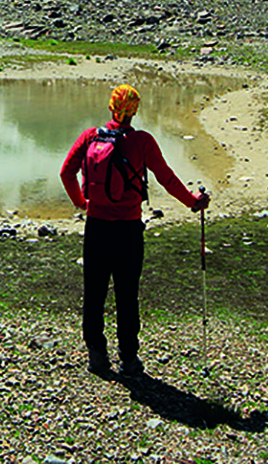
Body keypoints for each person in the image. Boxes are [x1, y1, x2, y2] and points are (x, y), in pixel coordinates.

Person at [59, 83, 210, 377]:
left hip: (96, 227)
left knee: (94, 292)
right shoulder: (142, 141)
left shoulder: (91, 137)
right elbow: (166, 178)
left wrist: (81, 202)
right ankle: (129, 360)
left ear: (111, 107)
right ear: (135, 111)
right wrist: (193, 202)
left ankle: (97, 357)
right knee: (127, 295)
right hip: (128, 229)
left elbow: (66, 172)